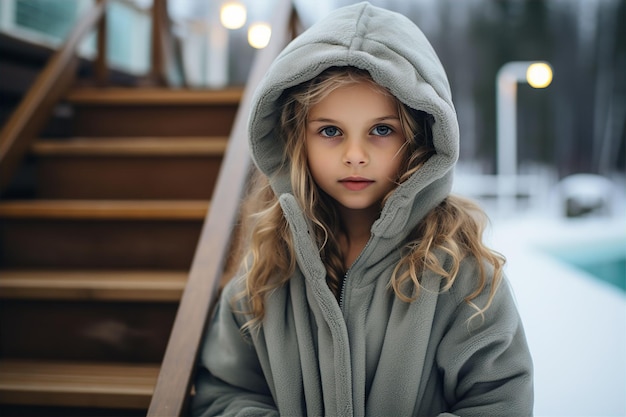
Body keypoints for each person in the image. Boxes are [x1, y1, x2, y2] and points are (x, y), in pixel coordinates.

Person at [191, 2, 533, 416]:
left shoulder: (462, 272)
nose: (355, 155)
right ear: (298, 139)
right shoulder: (266, 268)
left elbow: (498, 399)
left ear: (422, 137)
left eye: (382, 130)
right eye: (331, 131)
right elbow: (225, 392)